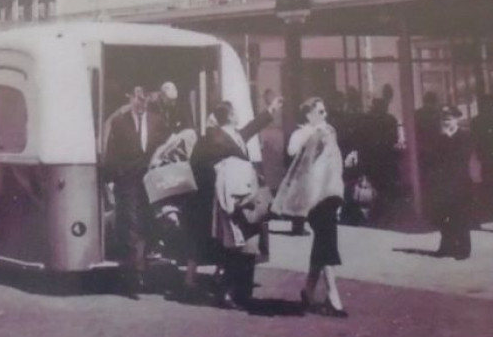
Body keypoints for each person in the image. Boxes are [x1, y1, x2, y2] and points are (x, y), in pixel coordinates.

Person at [184, 96, 281, 303]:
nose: (238, 115)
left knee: (244, 242)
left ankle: (236, 290)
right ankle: (232, 291)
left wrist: (269, 112)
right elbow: (197, 164)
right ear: (229, 116)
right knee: (236, 244)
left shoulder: (233, 135)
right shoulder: (213, 138)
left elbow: (250, 129)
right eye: (235, 112)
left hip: (244, 195)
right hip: (228, 199)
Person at [271, 97, 350, 317]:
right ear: (309, 115)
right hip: (311, 196)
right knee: (327, 237)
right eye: (321, 112)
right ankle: (333, 296)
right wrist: (312, 134)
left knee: (323, 240)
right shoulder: (304, 133)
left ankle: (308, 290)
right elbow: (291, 149)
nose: (325, 116)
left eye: (325, 111)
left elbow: (335, 164)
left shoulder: (329, 132)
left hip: (329, 193)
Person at [101, 85, 168, 297]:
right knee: (131, 225)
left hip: (150, 181)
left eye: (144, 100)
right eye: (138, 99)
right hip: (127, 182)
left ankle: (141, 268)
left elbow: (165, 146)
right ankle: (134, 276)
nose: (141, 104)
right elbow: (111, 153)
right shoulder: (119, 123)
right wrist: (114, 178)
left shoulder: (157, 121)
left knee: (148, 224)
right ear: (130, 98)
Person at [427, 106, 475, 260]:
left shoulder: (464, 136)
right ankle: (446, 246)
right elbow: (434, 159)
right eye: (443, 118)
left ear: (456, 119)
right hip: (443, 183)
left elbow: (461, 158)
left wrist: (446, 139)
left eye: (449, 118)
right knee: (443, 215)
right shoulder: (439, 138)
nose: (446, 121)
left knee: (460, 216)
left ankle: (463, 249)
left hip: (460, 182)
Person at [469, 93, 493, 216]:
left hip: (486, 153)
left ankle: (488, 204)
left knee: (487, 177)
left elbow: (474, 138)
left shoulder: (476, 121)